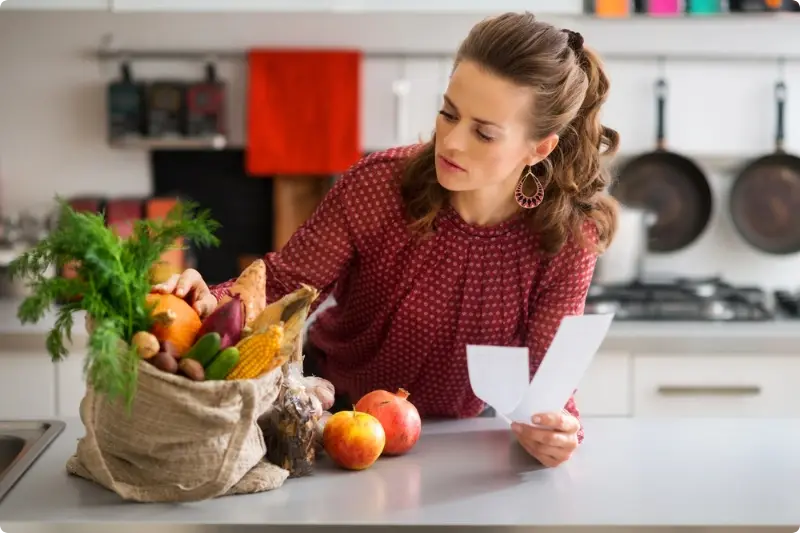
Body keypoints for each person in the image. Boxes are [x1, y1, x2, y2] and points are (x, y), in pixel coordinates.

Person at [153, 11, 620, 468]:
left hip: (456, 442)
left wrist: (555, 430)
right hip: (335, 419)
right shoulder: (379, 185)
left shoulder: (570, 234)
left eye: (484, 132)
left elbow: (549, 379)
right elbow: (283, 286)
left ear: (539, 148)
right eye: (448, 113)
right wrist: (202, 301)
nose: (452, 142)